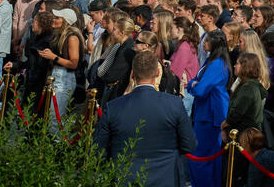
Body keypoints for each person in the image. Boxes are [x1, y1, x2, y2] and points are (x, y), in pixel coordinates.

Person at [94, 51, 197, 187]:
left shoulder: (114, 107)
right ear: (157, 74)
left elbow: (98, 151)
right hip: (165, 179)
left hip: (125, 179)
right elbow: (189, 145)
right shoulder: (174, 104)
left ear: (132, 74)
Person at [188, 30, 232, 187]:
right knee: (207, 158)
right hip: (206, 113)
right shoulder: (210, 61)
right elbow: (195, 80)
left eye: (206, 41)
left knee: (201, 158)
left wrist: (192, 86)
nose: (203, 43)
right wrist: (193, 84)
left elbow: (199, 89)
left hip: (210, 116)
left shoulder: (217, 64)